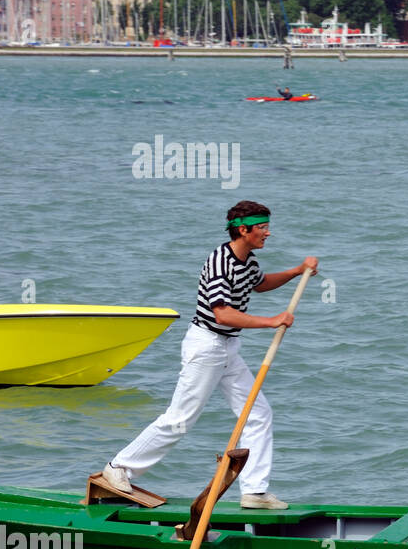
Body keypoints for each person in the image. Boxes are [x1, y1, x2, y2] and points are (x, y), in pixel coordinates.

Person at [100, 201, 319, 510]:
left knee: (258, 414)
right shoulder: (220, 260)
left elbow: (261, 283)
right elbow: (222, 314)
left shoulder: (248, 261)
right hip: (206, 345)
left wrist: (297, 271)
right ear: (243, 230)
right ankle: (118, 468)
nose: (268, 233)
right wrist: (271, 321)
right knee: (180, 420)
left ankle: (254, 492)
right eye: (263, 228)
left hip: (228, 348)